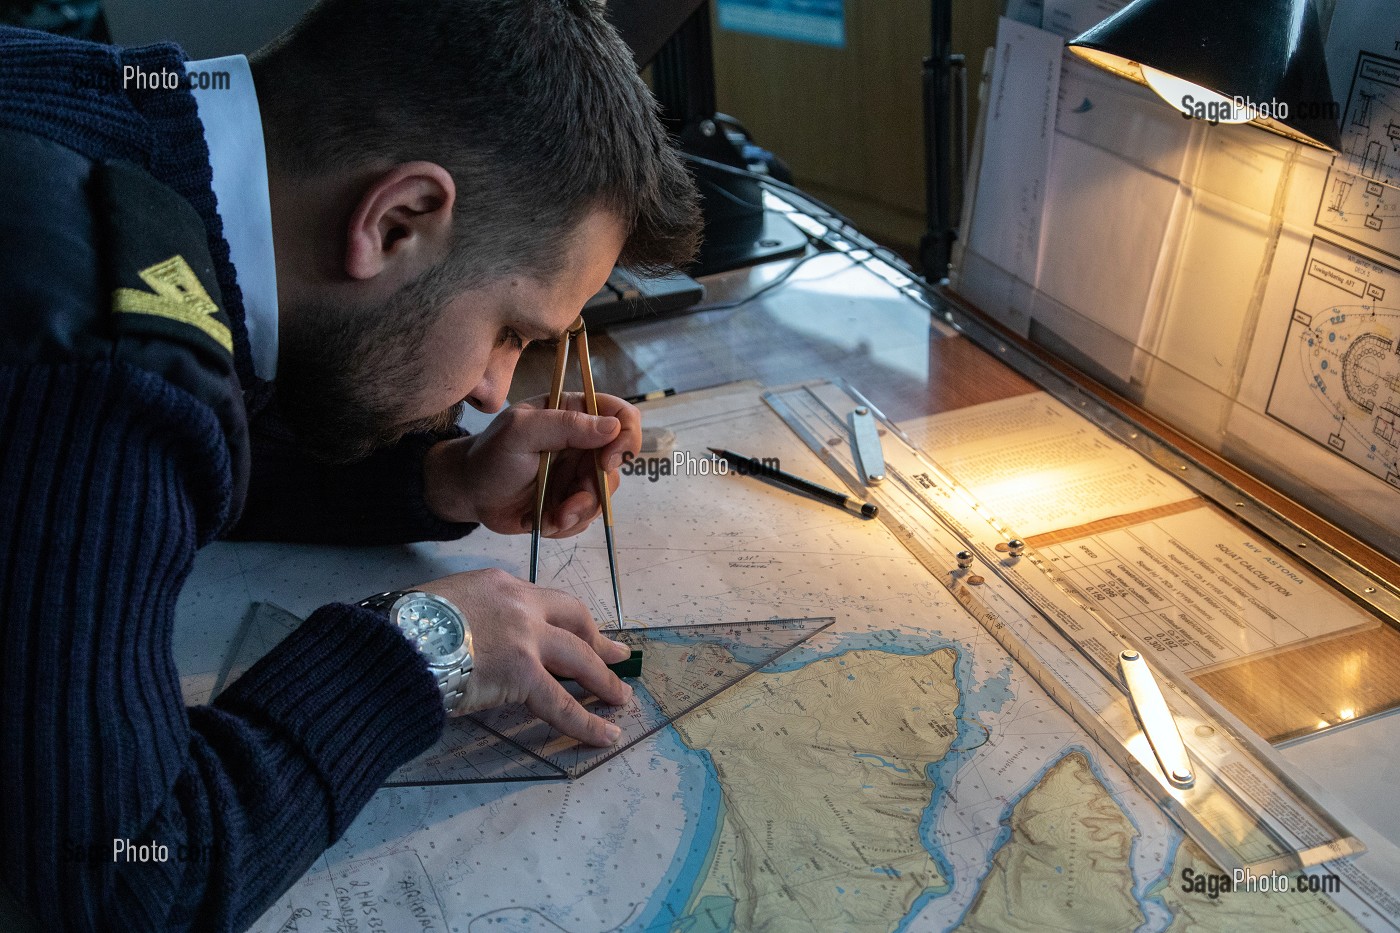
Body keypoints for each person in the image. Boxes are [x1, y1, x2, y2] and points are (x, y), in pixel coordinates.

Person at [0, 0, 701, 929]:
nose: (496, 391)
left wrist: (437, 479)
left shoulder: (99, 101)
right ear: (399, 218)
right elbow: (129, 879)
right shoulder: (100, 372)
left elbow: (162, 464)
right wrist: (421, 646)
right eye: (507, 332)